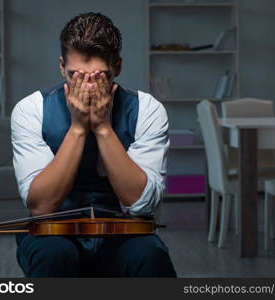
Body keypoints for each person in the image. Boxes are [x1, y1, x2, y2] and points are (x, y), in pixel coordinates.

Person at [11, 12, 176, 277]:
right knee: (51, 255)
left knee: (150, 254)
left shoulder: (147, 110)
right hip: (54, 231)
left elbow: (142, 204)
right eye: (76, 76)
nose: (88, 88)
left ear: (118, 67)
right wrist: (78, 128)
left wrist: (102, 127)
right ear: (61, 66)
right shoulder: (31, 110)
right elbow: (40, 206)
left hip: (123, 230)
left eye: (101, 77)